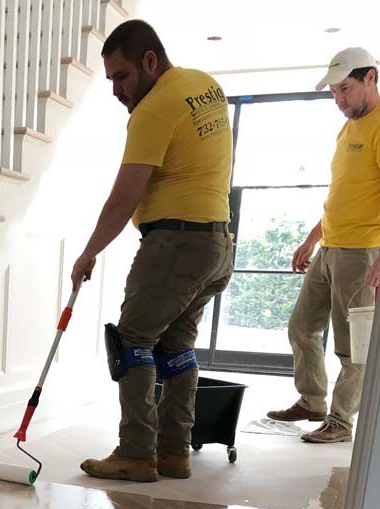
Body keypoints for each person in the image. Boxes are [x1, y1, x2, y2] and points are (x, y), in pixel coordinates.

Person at [71, 20, 233, 482]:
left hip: (176, 242)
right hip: (217, 245)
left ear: (149, 60)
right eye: (110, 81)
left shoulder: (155, 107)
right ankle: (174, 451)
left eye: (121, 76)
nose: (117, 90)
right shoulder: (205, 86)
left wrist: (87, 253)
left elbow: (124, 198)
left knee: (132, 342)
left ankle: (136, 453)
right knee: (177, 346)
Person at [267, 47, 380, 443]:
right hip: (331, 247)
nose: (339, 100)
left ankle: (341, 420)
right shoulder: (349, 127)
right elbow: (345, 193)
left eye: (345, 89)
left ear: (370, 78)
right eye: (334, 92)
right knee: (302, 326)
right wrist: (311, 240)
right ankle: (312, 401)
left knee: (352, 346)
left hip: (362, 250)